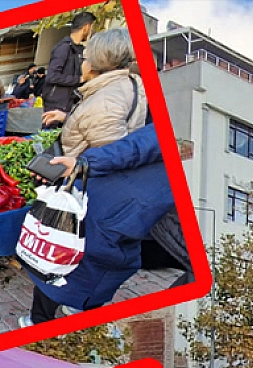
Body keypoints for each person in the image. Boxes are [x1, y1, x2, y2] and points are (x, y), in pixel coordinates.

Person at [23, 124, 190, 325]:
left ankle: (42, 318)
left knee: (58, 254)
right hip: (123, 214)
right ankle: (63, 314)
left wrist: (84, 164)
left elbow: (137, 145)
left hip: (100, 194)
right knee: (98, 266)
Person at [40, 29, 147, 168]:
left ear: (91, 65)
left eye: (84, 58)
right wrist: (67, 117)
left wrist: (77, 169)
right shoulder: (126, 83)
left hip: (85, 179)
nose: (82, 64)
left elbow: (108, 158)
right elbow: (99, 125)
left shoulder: (105, 102)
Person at [43, 10, 99, 113]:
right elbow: (52, 76)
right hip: (56, 103)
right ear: (86, 27)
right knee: (51, 129)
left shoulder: (80, 49)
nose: (93, 31)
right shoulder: (63, 48)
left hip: (70, 100)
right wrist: (79, 79)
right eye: (92, 28)